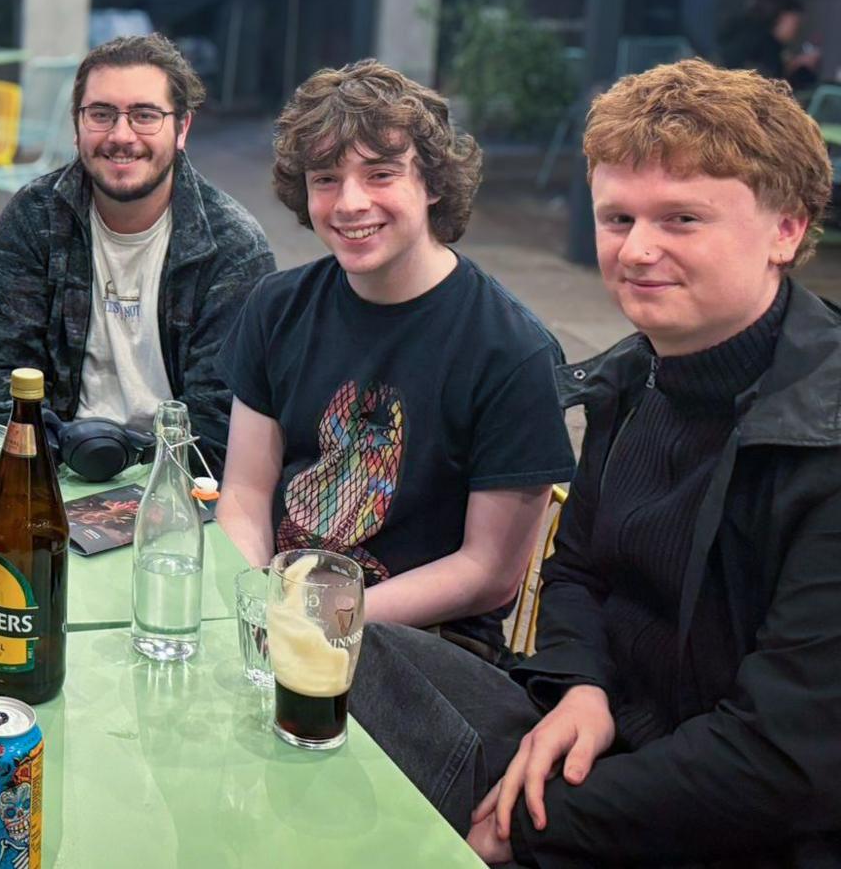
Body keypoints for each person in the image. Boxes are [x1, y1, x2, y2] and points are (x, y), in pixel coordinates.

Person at [348, 59, 841, 868]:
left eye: (682, 219)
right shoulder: (631, 376)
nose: (639, 250)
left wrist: (532, 828)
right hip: (593, 735)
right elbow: (575, 573)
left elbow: (787, 758)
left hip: (744, 816)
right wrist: (581, 685)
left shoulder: (822, 438)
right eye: (618, 220)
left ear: (785, 229)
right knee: (343, 649)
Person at [213, 59, 574, 658]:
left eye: (380, 174)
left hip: (425, 647)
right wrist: (256, 603)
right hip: (278, 621)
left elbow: (489, 573)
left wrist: (318, 620)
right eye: (325, 178)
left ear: (432, 184)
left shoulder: (512, 351)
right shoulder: (277, 307)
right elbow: (247, 493)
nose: (350, 202)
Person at [0, 33, 274, 465]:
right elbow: (7, 376)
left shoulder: (233, 247)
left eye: (145, 115)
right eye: (101, 114)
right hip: (53, 468)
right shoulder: (33, 218)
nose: (121, 135)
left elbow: (218, 417)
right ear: (77, 126)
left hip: (181, 480)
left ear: (182, 128)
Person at [716, 0, 821, 92]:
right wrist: (795, 65)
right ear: (782, 17)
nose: (797, 29)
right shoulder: (763, 44)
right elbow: (767, 82)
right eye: (795, 22)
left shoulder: (753, 38)